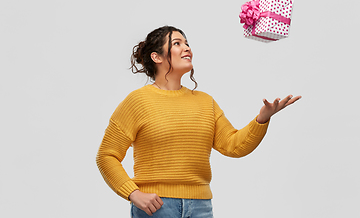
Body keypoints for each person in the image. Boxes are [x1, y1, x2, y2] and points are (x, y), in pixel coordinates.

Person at [96, 26, 301, 218]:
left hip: (201, 206)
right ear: (156, 57)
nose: (186, 48)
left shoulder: (205, 102)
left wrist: (262, 119)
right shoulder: (137, 101)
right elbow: (106, 155)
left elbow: (233, 145)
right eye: (177, 43)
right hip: (156, 208)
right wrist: (132, 193)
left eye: (187, 43)